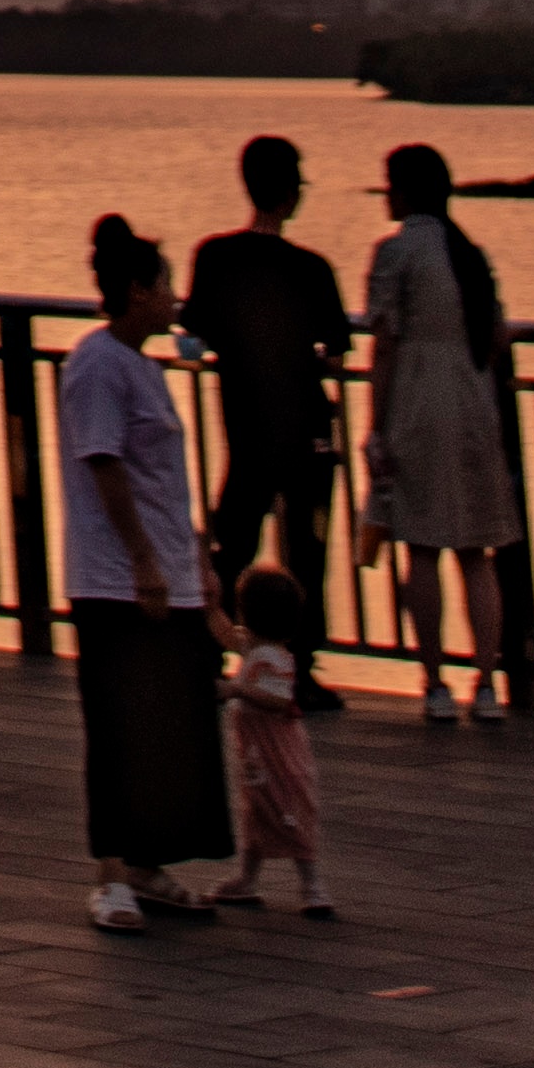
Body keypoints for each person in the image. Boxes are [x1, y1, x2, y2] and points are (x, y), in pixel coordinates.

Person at [57, 216, 229, 930]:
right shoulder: (95, 364)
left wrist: (198, 561)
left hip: (168, 573)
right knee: (119, 720)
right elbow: (105, 463)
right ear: (135, 290)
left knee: (171, 721)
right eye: (163, 284)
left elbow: (165, 479)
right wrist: (143, 563)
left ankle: (149, 864)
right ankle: (109, 876)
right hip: (115, 580)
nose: (174, 297)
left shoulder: (144, 366)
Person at [358, 142, 529, 720]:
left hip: (417, 408)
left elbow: (383, 346)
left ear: (405, 191)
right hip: (474, 408)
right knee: (476, 552)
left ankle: (433, 682)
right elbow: (500, 338)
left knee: (424, 547)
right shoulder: (471, 256)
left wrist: (373, 428)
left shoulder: (397, 253)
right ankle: (487, 683)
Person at [180, 136, 353, 671]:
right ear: (290, 194)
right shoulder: (312, 269)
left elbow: (193, 334)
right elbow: (336, 348)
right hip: (306, 429)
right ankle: (298, 667)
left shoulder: (214, 257)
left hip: (245, 425)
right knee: (308, 551)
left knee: (231, 543)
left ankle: (211, 648)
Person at [213, 561, 337, 918]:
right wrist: (210, 606)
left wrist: (236, 689)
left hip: (278, 752)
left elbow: (281, 700)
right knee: (257, 812)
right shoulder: (257, 647)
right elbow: (226, 634)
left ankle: (312, 884)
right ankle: (248, 879)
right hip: (257, 752)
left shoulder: (273, 659)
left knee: (288, 809)